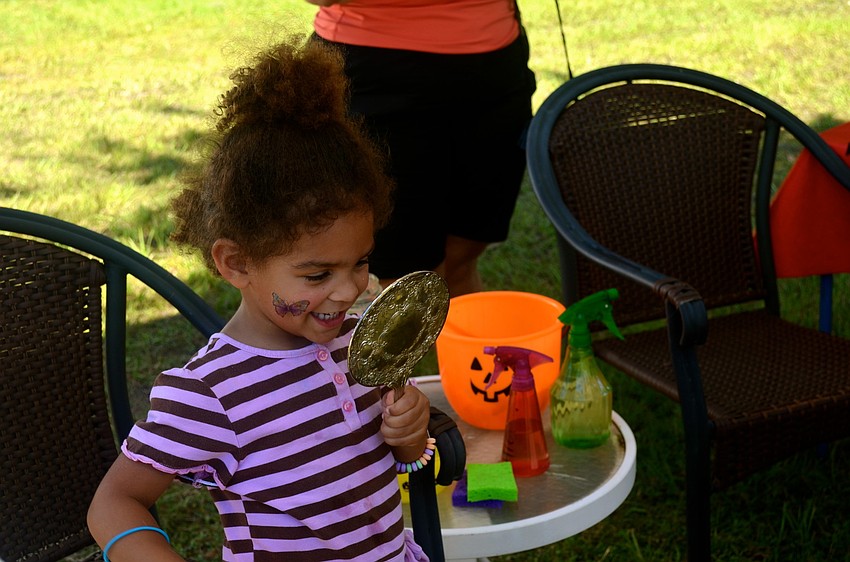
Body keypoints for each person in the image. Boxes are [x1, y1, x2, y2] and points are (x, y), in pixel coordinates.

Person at [87, 37, 432, 562]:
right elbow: (115, 502)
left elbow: (390, 468)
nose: (350, 289)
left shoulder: (360, 346)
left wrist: (410, 436)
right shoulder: (210, 394)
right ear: (237, 264)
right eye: (317, 273)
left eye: (359, 261)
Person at [307, 0, 537, 296]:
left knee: (462, 255)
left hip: (493, 73)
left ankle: (462, 339)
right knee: (401, 280)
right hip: (374, 75)